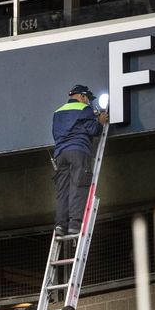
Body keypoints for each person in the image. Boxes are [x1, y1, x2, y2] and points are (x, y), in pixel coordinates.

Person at [52, 84, 108, 236]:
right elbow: (93, 130)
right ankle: (75, 225)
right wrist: (100, 122)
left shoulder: (58, 112)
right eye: (88, 99)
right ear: (82, 96)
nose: (88, 102)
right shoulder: (85, 109)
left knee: (63, 190)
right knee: (78, 186)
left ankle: (60, 225)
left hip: (60, 154)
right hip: (78, 151)